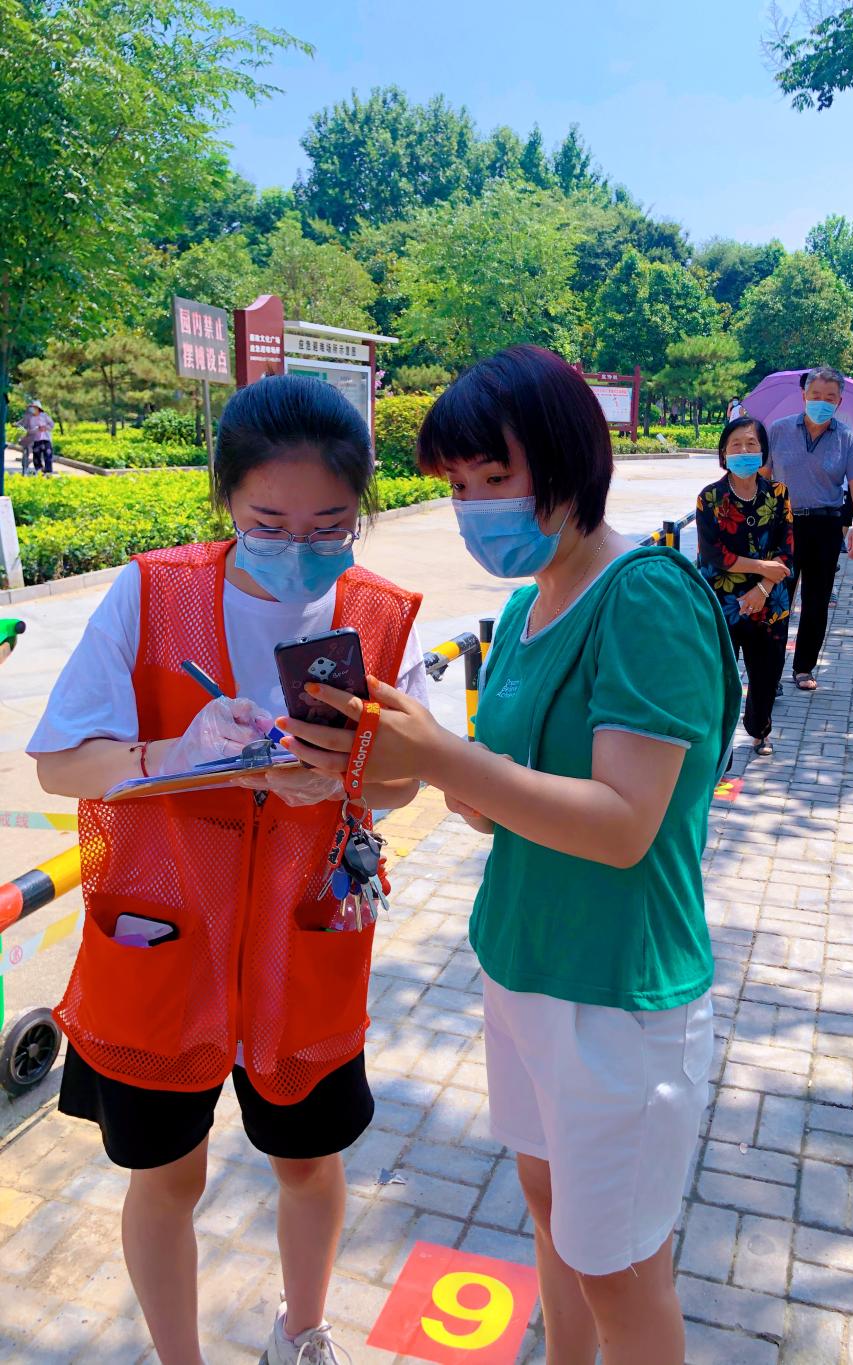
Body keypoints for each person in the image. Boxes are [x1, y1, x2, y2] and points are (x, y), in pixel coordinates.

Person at [280, 345, 741, 1365]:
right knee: (551, 1213)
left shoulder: (644, 596)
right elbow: (500, 801)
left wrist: (446, 757)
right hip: (522, 962)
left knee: (621, 1272)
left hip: (615, 991)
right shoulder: (531, 604)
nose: (473, 505)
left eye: (494, 476)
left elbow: (624, 825)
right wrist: (414, 765)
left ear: (570, 460)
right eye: (455, 485)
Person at [29, 374, 427, 1365]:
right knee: (168, 1175)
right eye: (269, 524)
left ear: (361, 508)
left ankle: (304, 1329)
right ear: (226, 504)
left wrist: (345, 780)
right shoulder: (152, 593)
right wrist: (175, 752)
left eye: (329, 526)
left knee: (308, 1162)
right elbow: (59, 762)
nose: (299, 548)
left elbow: (409, 780)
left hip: (305, 948)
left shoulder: (379, 616)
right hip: (165, 946)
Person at [766, 366, 853, 692]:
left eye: (829, 397)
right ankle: (769, 671)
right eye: (816, 396)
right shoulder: (779, 430)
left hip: (825, 526)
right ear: (804, 396)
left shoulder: (847, 439)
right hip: (783, 525)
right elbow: (763, 478)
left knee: (816, 600)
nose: (822, 402)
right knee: (777, 599)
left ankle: (803, 667)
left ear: (839, 401)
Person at [696, 417, 793, 756]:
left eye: (751, 444)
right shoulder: (710, 497)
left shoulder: (778, 494)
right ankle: (718, 746)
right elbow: (714, 554)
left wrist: (762, 587)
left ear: (763, 451)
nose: (744, 450)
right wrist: (761, 567)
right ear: (724, 452)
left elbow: (786, 550)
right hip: (721, 600)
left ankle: (759, 728)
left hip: (770, 600)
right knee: (720, 675)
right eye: (735, 444)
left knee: (767, 673)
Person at [15, 399, 54, 476]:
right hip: (36, 439)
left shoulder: (44, 416)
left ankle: (48, 471)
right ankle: (39, 469)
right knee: (36, 455)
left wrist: (45, 427)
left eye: (34, 407)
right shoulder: (30, 418)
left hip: (46, 438)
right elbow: (24, 425)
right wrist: (17, 424)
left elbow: (51, 424)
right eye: (31, 407)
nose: (32, 409)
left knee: (48, 454)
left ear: (38, 408)